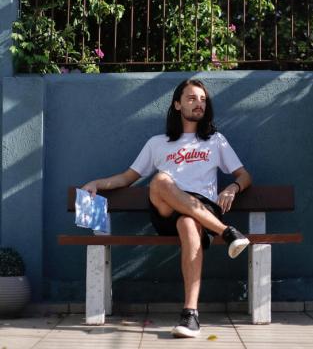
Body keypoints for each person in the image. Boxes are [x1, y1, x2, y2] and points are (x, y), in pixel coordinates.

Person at [82, 79, 252, 338]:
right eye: (192, 98)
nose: (199, 104)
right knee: (160, 180)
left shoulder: (216, 141)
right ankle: (227, 232)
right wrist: (97, 183)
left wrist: (232, 188)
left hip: (202, 210)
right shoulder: (157, 143)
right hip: (165, 209)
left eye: (203, 99)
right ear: (177, 104)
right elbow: (127, 178)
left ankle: (190, 315)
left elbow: (244, 176)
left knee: (188, 222)